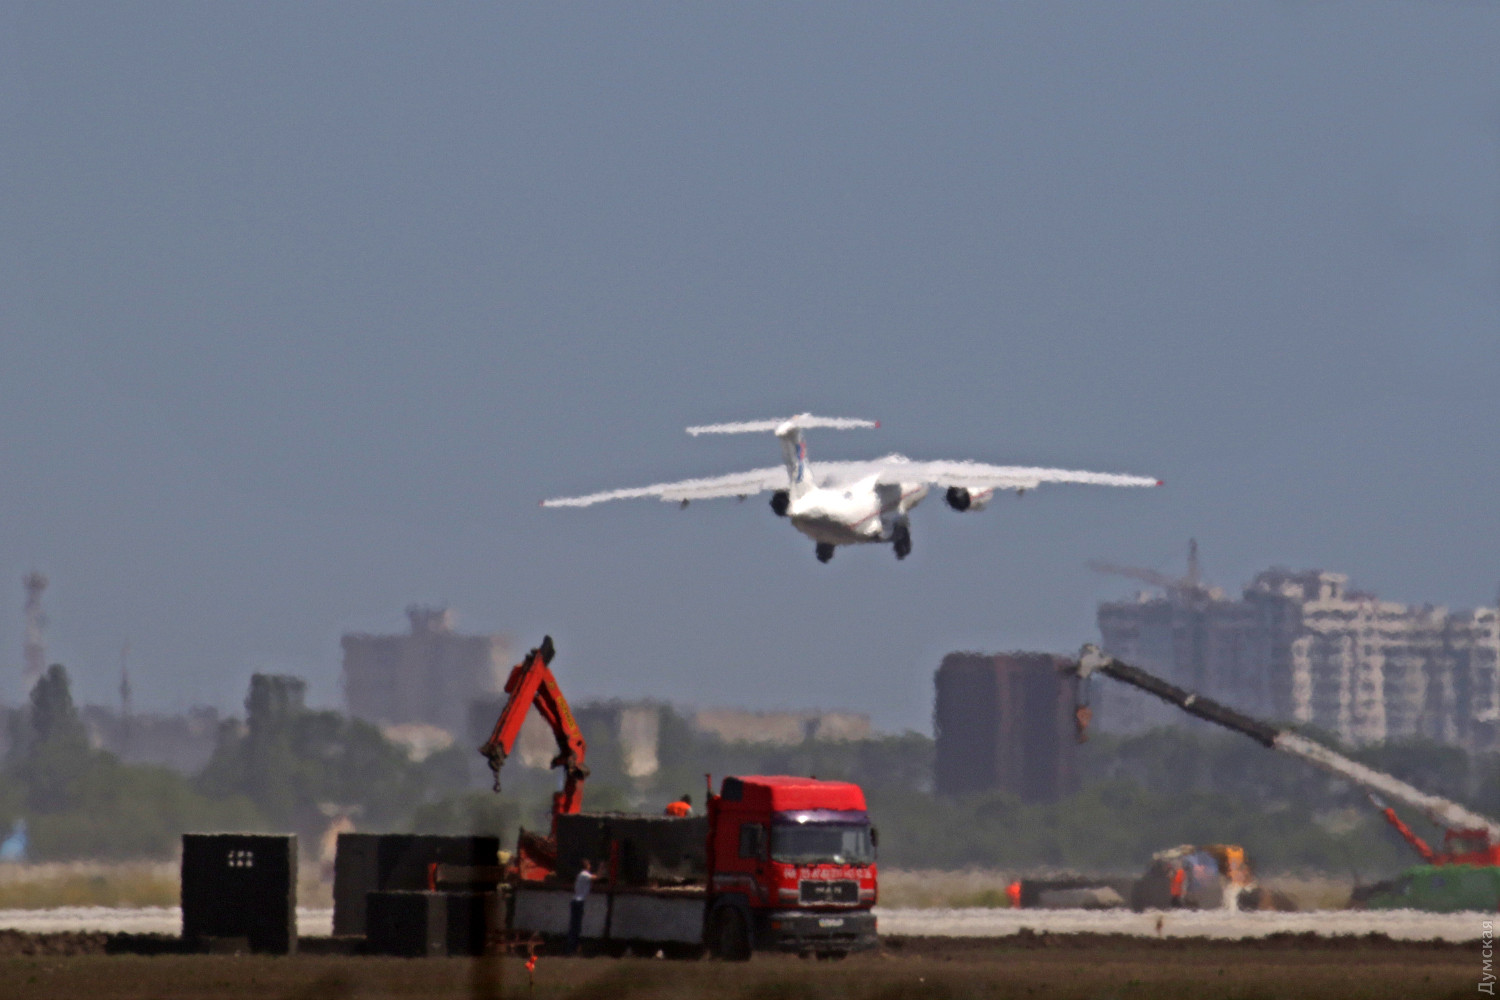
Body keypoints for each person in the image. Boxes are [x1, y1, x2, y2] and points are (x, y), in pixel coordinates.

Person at [566, 859, 597, 954]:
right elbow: (595, 878)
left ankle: (573, 947)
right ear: (586, 866)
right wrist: (601, 869)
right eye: (589, 864)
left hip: (577, 902)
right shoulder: (584, 874)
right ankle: (572, 947)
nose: (590, 866)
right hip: (578, 902)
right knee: (575, 926)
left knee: (575, 925)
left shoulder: (582, 875)